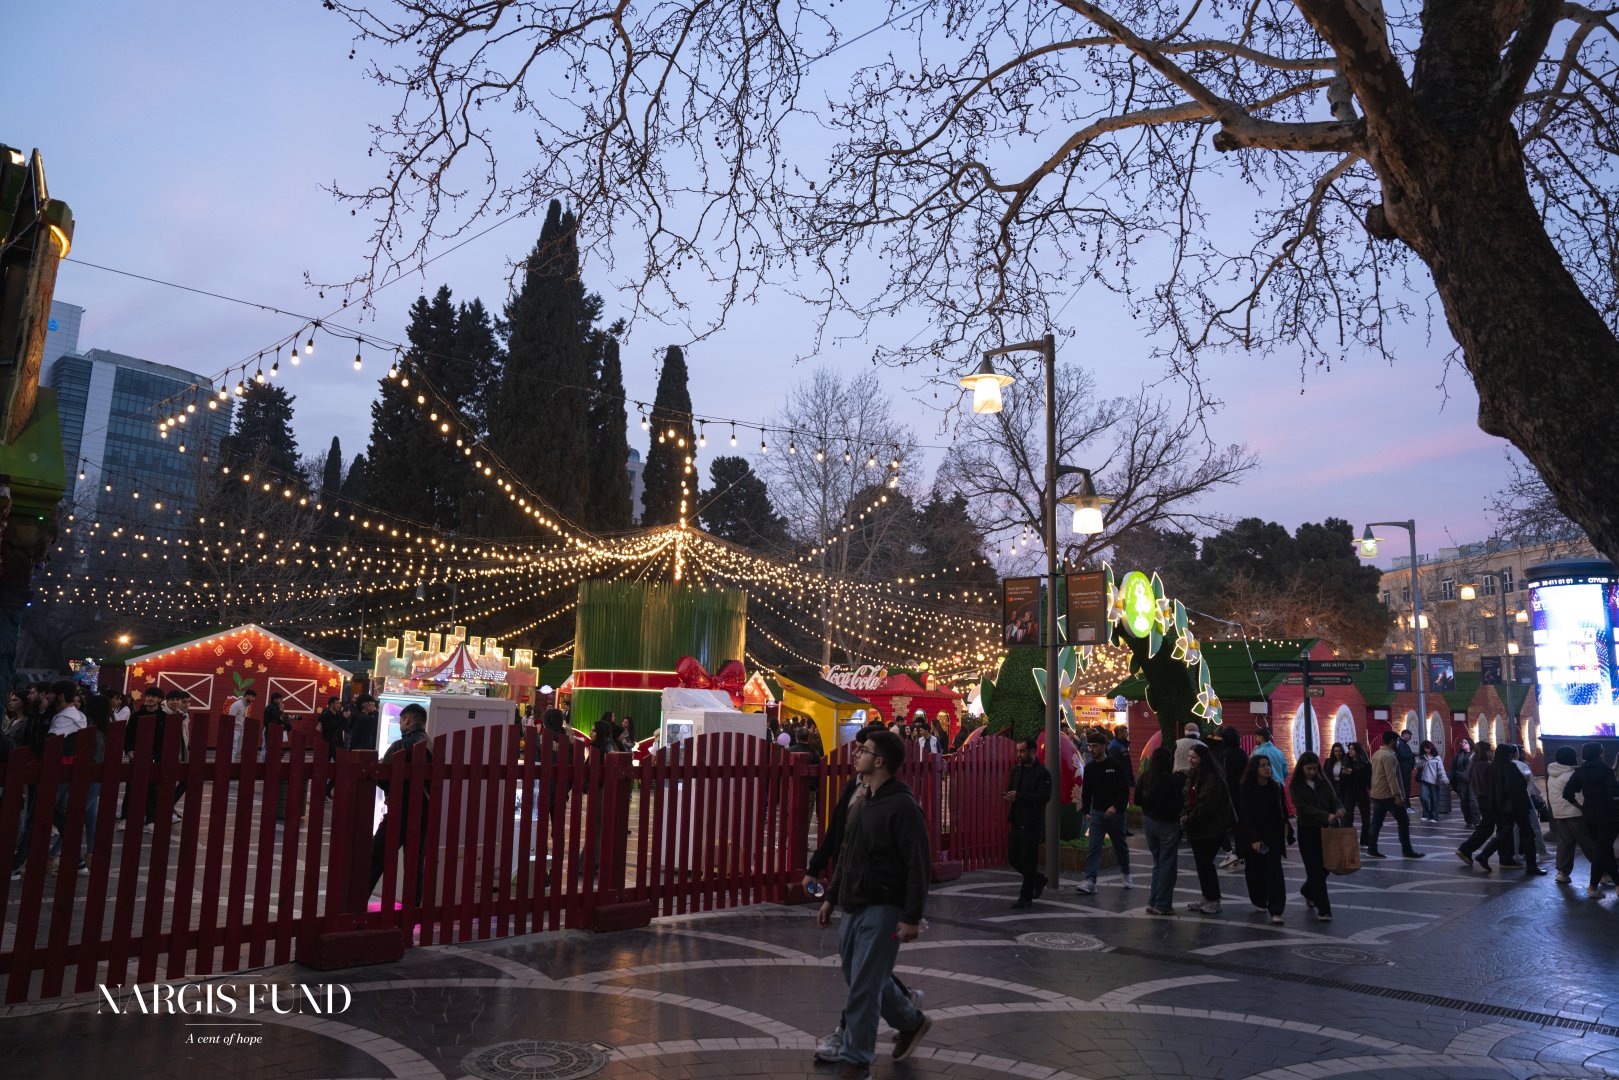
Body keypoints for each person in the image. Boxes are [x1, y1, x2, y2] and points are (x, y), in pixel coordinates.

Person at [804, 725, 922, 1066]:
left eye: (863, 750)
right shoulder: (860, 801)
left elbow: (918, 864)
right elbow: (846, 852)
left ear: (879, 760)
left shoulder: (903, 806)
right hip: (853, 902)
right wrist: (831, 898)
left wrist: (911, 916)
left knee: (864, 985)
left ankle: (857, 1059)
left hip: (884, 905)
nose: (856, 754)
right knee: (858, 976)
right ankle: (911, 1020)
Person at [369, 702, 432, 903]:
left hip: (399, 811)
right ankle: (412, 911)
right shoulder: (430, 744)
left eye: (400, 721)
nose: (400, 725)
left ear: (407, 719)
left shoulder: (400, 745)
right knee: (415, 867)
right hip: (423, 813)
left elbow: (383, 777)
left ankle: (356, 906)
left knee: (375, 860)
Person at [1289, 751, 1343, 922]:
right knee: (1315, 870)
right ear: (1301, 768)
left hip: (1326, 831)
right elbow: (1303, 808)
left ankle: (1307, 890)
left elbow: (1334, 800)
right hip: (1307, 831)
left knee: (1326, 867)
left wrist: (1340, 809)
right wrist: (1325, 815)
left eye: (1314, 768)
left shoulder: (1323, 782)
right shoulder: (1296, 786)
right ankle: (1324, 909)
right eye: (1308, 769)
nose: (1312, 772)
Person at [1075, 733, 1132, 894]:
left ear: (1103, 746)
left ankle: (1126, 872)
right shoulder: (1090, 768)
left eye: (1095, 746)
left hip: (1116, 814)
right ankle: (1090, 880)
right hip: (1097, 813)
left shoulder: (1116, 765)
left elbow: (1124, 789)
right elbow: (1086, 791)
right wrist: (1086, 810)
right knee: (1094, 847)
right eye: (1089, 746)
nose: (1091, 749)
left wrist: (1115, 807)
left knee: (1120, 845)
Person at [1237, 753, 1290, 924]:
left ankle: (1276, 910)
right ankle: (1259, 899)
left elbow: (1281, 811)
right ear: (1255, 769)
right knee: (1255, 871)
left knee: (1275, 872)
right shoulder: (1246, 788)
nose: (1267, 768)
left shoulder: (1274, 786)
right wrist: (1254, 838)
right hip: (1253, 837)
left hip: (1272, 835)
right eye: (1263, 765)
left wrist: (1286, 831)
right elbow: (1245, 815)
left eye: (1268, 765)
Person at [1562, 742, 1619, 897]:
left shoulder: (1579, 772)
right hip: (1608, 815)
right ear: (1600, 753)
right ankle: (1593, 887)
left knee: (1604, 849)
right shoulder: (1606, 770)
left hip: (1589, 815)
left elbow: (1567, 793)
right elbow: (1614, 794)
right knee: (1602, 850)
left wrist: (1580, 806)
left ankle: (1615, 884)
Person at [1004, 736, 1052, 908]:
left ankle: (1025, 897)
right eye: (1018, 751)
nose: (1019, 754)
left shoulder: (1043, 773)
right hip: (1017, 819)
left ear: (1032, 751)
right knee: (1013, 858)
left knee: (1028, 860)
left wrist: (1019, 796)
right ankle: (1038, 878)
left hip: (1032, 823)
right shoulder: (1017, 770)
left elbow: (1043, 797)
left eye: (1022, 751)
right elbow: (1011, 789)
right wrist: (1009, 796)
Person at [1182, 745, 1230, 914]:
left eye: (1194, 757)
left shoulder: (1212, 778)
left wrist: (1190, 819)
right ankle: (1207, 897)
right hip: (1197, 827)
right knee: (1202, 864)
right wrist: (1185, 814)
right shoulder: (1193, 775)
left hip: (1211, 829)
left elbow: (1207, 805)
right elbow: (1187, 798)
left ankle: (1213, 899)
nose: (1190, 760)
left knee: (1205, 864)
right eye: (1189, 756)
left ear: (1203, 758)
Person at [1137, 745, 1184, 916]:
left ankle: (1153, 901)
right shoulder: (1173, 781)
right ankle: (1162, 904)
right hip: (1167, 824)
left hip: (1149, 822)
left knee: (1158, 863)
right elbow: (1179, 804)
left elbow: (1137, 800)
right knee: (1167, 864)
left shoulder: (1145, 777)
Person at [1366, 730, 1425, 859]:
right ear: (1392, 741)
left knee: (1376, 823)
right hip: (1389, 795)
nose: (1397, 743)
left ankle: (1372, 848)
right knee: (1403, 821)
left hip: (1377, 794)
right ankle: (1407, 851)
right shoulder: (1389, 756)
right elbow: (1391, 777)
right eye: (1396, 741)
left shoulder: (1376, 754)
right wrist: (1397, 795)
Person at [1546, 746, 1595, 885]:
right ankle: (1603, 871)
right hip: (1575, 814)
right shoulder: (1570, 775)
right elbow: (1579, 797)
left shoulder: (1553, 773)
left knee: (1565, 843)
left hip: (1559, 813)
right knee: (1588, 842)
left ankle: (1562, 872)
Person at [1457, 742, 1504, 870]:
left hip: (1481, 798)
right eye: (1490, 750)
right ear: (1485, 752)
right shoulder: (1486, 766)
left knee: (1486, 827)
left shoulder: (1475, 764)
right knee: (1487, 827)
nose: (1492, 753)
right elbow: (1493, 785)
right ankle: (1465, 849)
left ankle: (1466, 849)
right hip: (1488, 799)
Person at [1216, 724, 1249, 870]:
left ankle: (1230, 853)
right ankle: (1239, 856)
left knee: (1221, 826)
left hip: (1226, 794)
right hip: (1241, 794)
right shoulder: (1242, 753)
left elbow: (1221, 775)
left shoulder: (1223, 754)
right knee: (1238, 827)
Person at [1415, 740, 1448, 822]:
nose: (1427, 750)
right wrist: (1421, 762)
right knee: (1423, 797)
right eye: (1425, 748)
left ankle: (1434, 816)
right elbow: (1416, 766)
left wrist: (1445, 779)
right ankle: (1426, 814)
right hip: (1424, 780)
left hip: (1434, 781)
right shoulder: (1421, 757)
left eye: (1428, 748)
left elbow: (1441, 770)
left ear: (1431, 748)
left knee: (1434, 799)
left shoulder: (1437, 758)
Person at [1450, 738, 1477, 826]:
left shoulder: (1475, 755)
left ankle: (1476, 820)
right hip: (1461, 779)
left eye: (1465, 742)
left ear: (1470, 744)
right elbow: (1454, 767)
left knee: (1472, 800)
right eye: (1462, 742)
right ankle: (1468, 820)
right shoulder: (1458, 755)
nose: (1463, 744)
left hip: (1472, 780)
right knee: (1464, 800)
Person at [228, 688, 255, 762]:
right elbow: (231, 717)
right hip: (235, 729)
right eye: (252, 697)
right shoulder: (237, 704)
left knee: (238, 750)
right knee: (233, 749)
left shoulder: (247, 705)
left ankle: (233, 764)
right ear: (247, 696)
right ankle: (230, 765)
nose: (253, 699)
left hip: (241, 729)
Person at [1394, 729, 1417, 810]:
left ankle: (1407, 805)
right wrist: (1413, 754)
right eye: (1409, 736)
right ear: (1405, 735)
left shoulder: (1403, 744)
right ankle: (1405, 806)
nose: (1410, 738)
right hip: (1404, 769)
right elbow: (1402, 755)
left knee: (1406, 788)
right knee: (1405, 788)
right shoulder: (1401, 744)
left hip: (1406, 769)